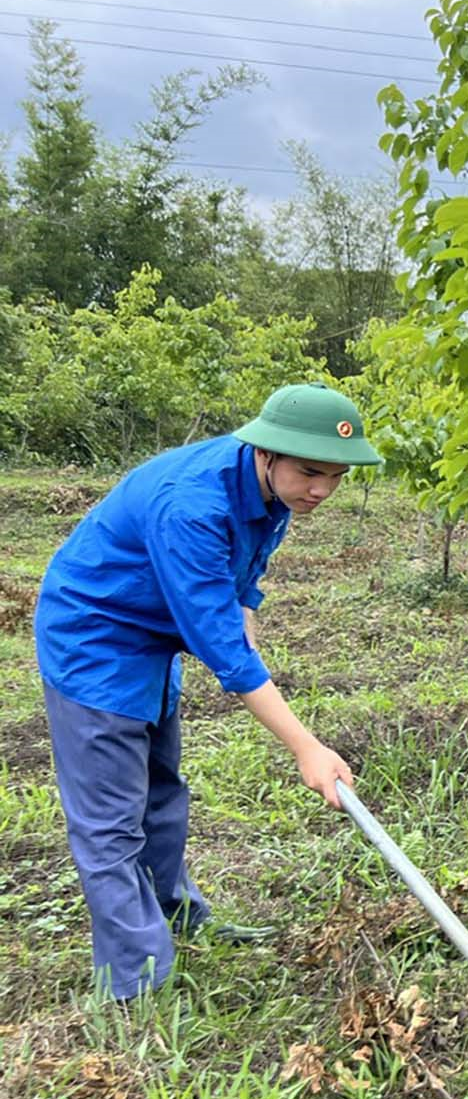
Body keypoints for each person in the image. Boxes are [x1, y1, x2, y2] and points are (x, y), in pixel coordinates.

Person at [34, 383, 381, 1001]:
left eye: (336, 476)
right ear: (266, 452)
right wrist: (306, 746)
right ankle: (135, 984)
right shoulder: (191, 504)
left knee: (162, 789)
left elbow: (243, 581)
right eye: (310, 472)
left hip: (154, 635)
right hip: (96, 638)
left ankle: (177, 914)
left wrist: (246, 639)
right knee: (110, 822)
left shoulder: (271, 489)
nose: (322, 491)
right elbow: (219, 643)